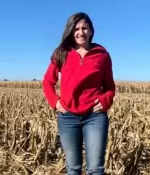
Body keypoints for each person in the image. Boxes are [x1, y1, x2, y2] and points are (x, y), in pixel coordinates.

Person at [42, 12, 115, 175]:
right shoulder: (61, 53)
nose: (80, 32)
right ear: (71, 31)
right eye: (76, 29)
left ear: (91, 30)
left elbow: (110, 87)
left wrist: (105, 101)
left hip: (95, 117)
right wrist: (55, 101)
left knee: (96, 169)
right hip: (68, 117)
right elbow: (48, 82)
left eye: (84, 28)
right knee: (73, 168)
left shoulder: (102, 55)